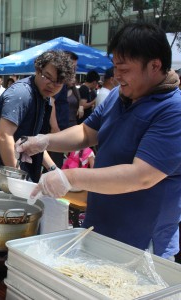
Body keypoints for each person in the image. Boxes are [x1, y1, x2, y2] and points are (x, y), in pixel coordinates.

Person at [16, 22, 181, 259]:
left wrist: (69, 177)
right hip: (99, 230)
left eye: (124, 69)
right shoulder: (119, 94)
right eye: (115, 67)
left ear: (155, 65)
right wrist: (44, 141)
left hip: (143, 246)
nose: (116, 76)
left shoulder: (173, 110)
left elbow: (141, 176)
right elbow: (86, 132)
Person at [0, 50, 75, 187]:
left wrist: (54, 170)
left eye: (58, 83)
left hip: (11, 169)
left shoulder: (44, 99)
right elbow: (4, 136)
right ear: (38, 69)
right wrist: (18, 179)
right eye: (47, 77)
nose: (51, 85)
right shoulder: (21, 94)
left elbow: (36, 142)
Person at [49, 51, 80, 167]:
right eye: (73, 66)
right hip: (55, 132)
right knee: (53, 165)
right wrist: (55, 128)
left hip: (61, 130)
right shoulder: (58, 82)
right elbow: (51, 101)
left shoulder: (64, 83)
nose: (74, 70)